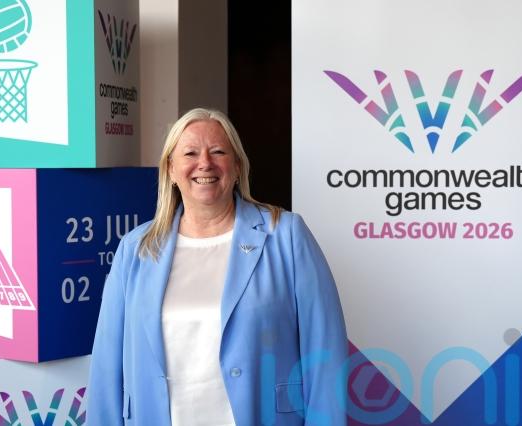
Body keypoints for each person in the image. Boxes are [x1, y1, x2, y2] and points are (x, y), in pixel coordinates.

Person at [87, 108, 347, 425]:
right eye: (190, 153)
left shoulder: (286, 236)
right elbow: (107, 366)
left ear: (237, 166)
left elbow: (325, 352)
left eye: (218, 152)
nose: (205, 163)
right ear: (170, 169)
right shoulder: (135, 249)